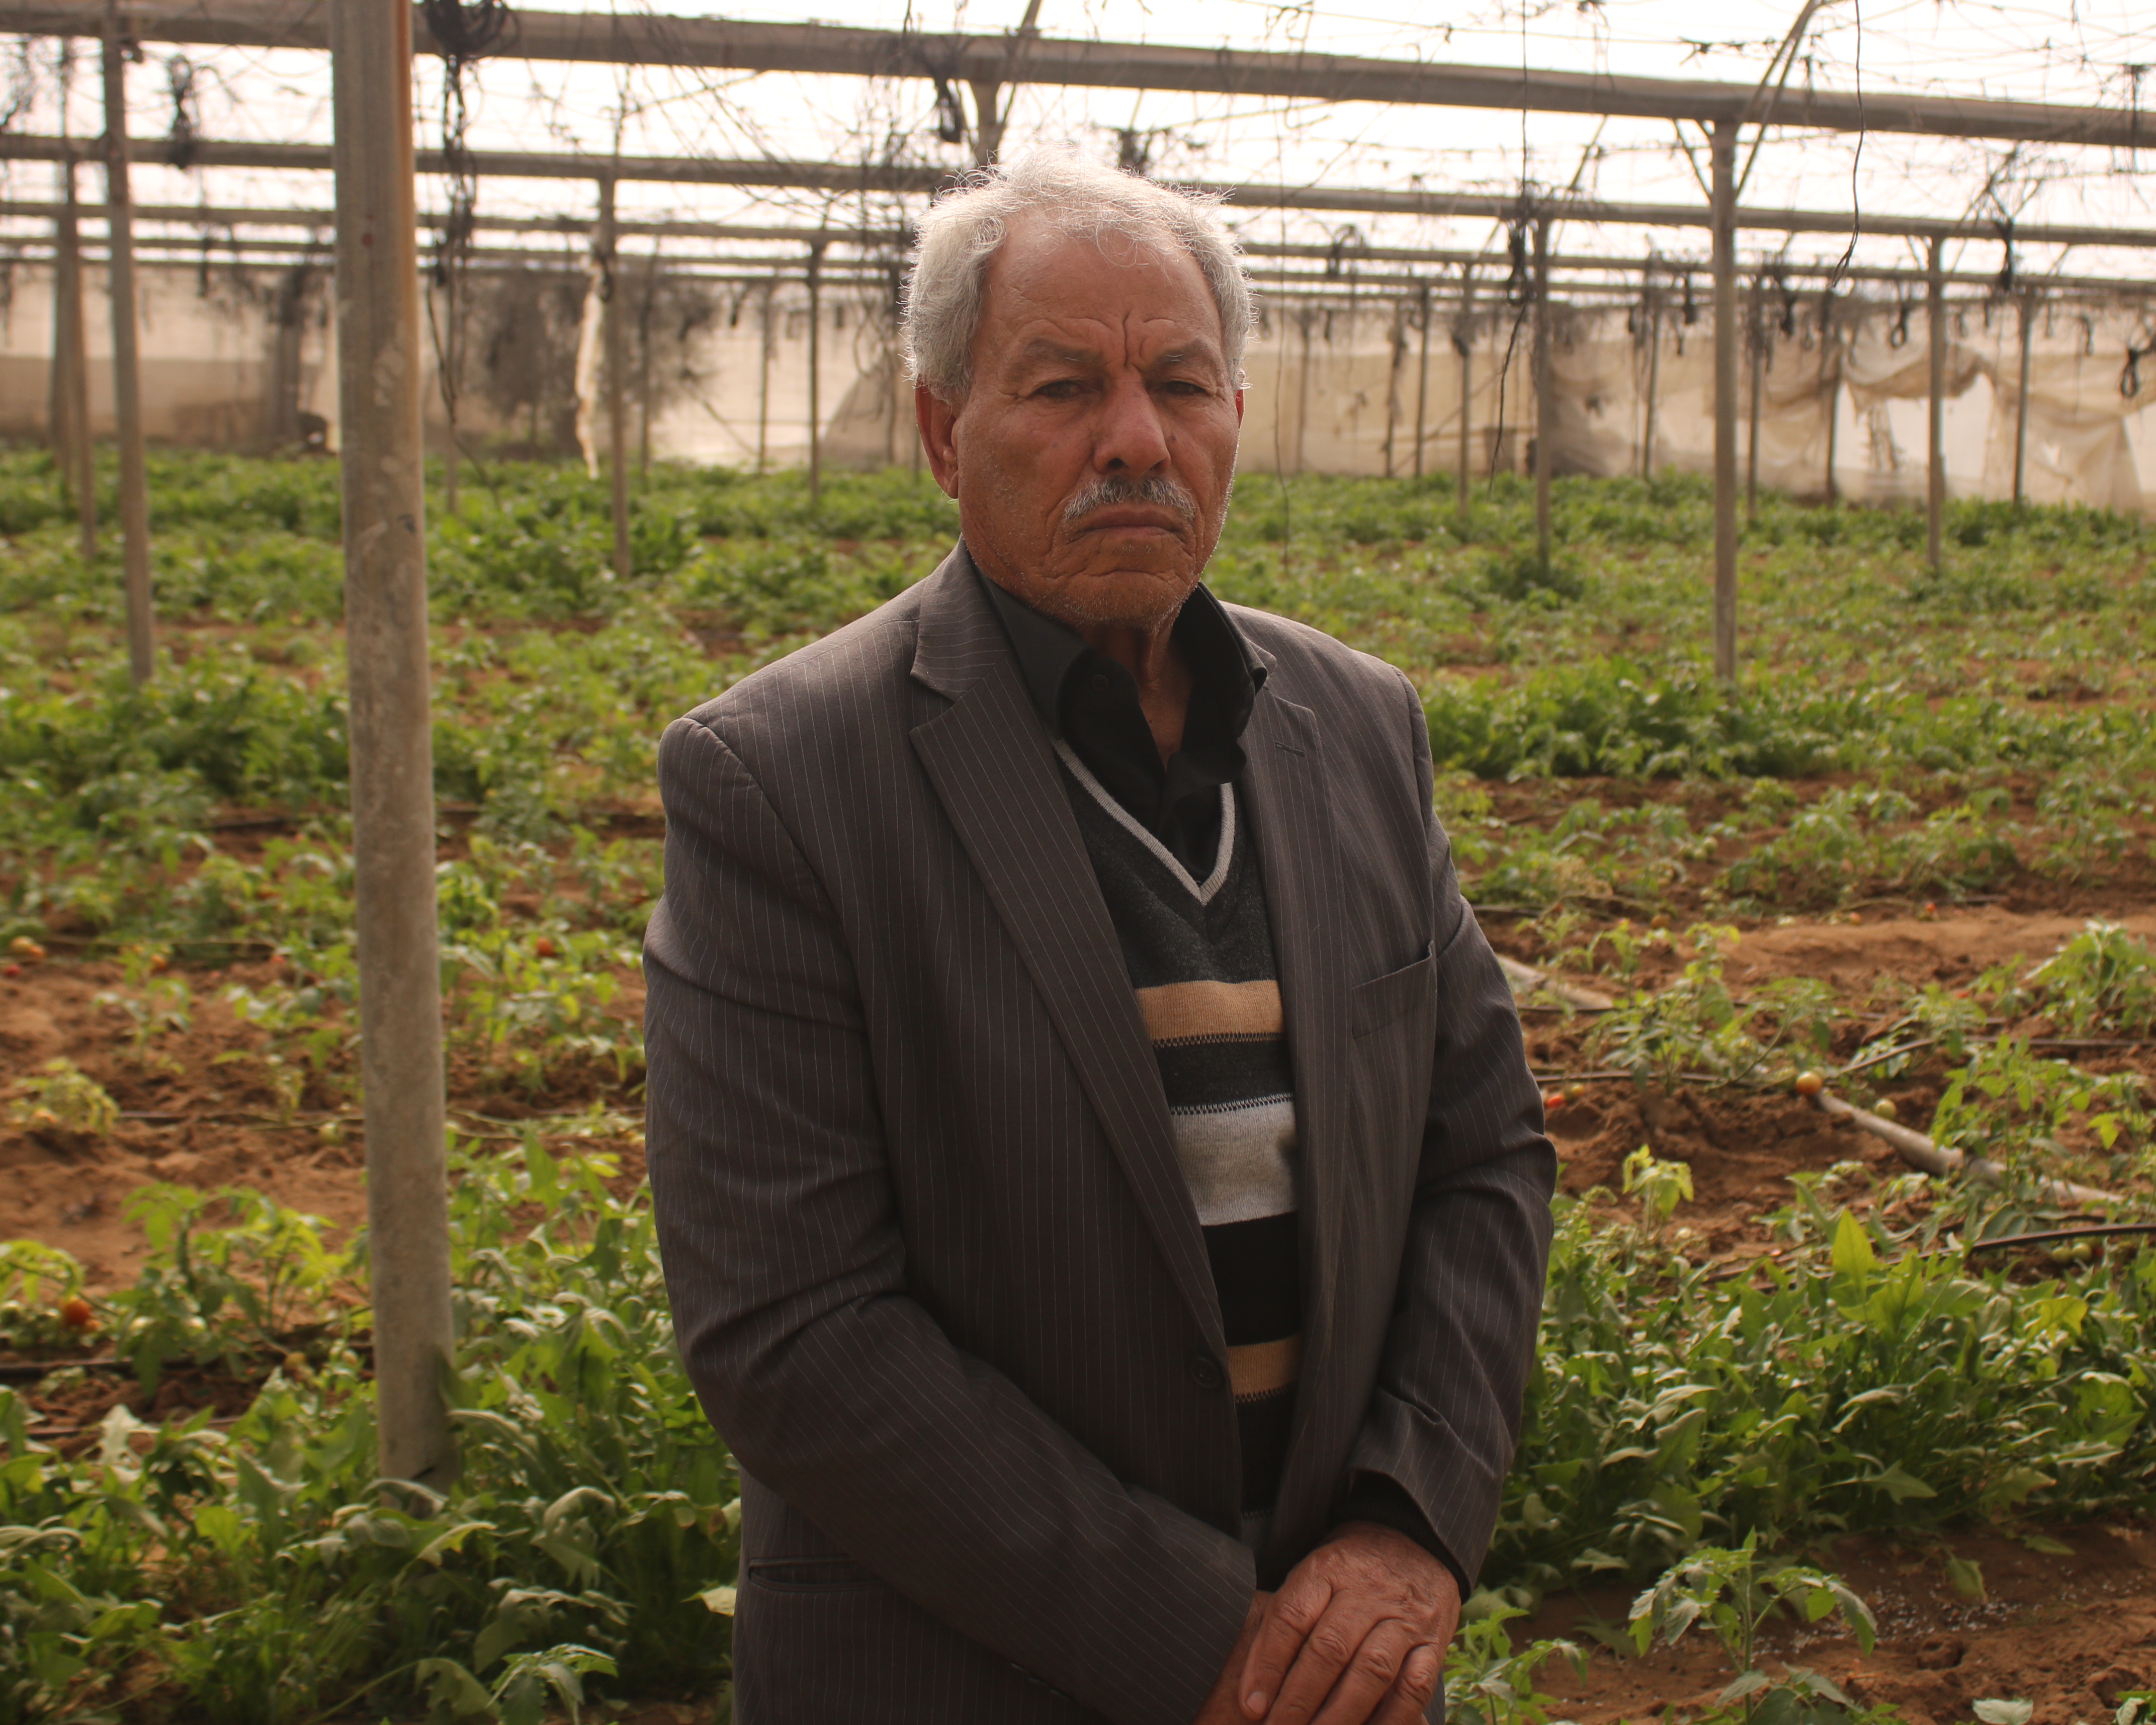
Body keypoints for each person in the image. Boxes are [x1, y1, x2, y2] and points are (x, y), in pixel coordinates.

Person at [644, 149, 1556, 1725]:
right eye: (1063, 387)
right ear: (943, 431)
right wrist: (1202, 1639)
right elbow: (796, 1327)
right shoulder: (782, 781)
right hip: (956, 1672)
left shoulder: (1356, 726)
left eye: (1182, 386)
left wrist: (1406, 1529)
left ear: (1234, 421)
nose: (1137, 441)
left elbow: (1481, 1158)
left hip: (1339, 1668)